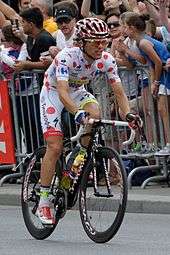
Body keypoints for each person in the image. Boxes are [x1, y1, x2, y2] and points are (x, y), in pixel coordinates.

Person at [37, 17, 141, 225]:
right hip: (54, 92)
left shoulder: (106, 59)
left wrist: (128, 114)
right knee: (55, 146)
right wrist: (76, 112)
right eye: (95, 42)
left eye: (103, 41)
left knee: (95, 112)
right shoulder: (67, 56)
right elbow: (64, 93)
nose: (100, 46)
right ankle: (44, 200)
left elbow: (119, 92)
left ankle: (79, 160)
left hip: (78, 92)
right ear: (81, 42)